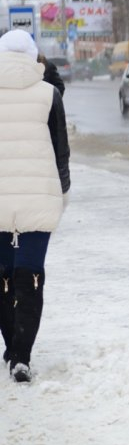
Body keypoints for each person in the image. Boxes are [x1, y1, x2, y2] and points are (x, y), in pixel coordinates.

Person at [0, 30, 70, 383]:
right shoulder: (49, 94)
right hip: (39, 195)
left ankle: (11, 346)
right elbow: (60, 149)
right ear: (32, 56)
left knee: (3, 275)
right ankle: (21, 356)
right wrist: (63, 192)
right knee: (30, 274)